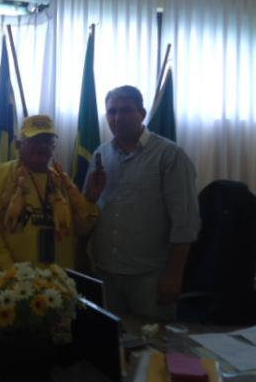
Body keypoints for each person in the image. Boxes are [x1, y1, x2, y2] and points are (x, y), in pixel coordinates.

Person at [85, 86, 200, 321]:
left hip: (150, 277)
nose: (117, 118)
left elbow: (185, 223)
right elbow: (88, 209)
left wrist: (174, 276)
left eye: (126, 110)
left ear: (142, 113)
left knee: (154, 345)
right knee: (113, 345)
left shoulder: (170, 156)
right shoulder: (100, 154)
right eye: (111, 112)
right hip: (106, 272)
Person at [0, 114, 104, 271]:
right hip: (14, 284)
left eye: (47, 141)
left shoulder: (63, 183)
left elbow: (83, 228)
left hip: (59, 283)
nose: (42, 146)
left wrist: (90, 198)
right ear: (19, 145)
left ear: (53, 148)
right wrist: (12, 274)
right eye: (34, 140)